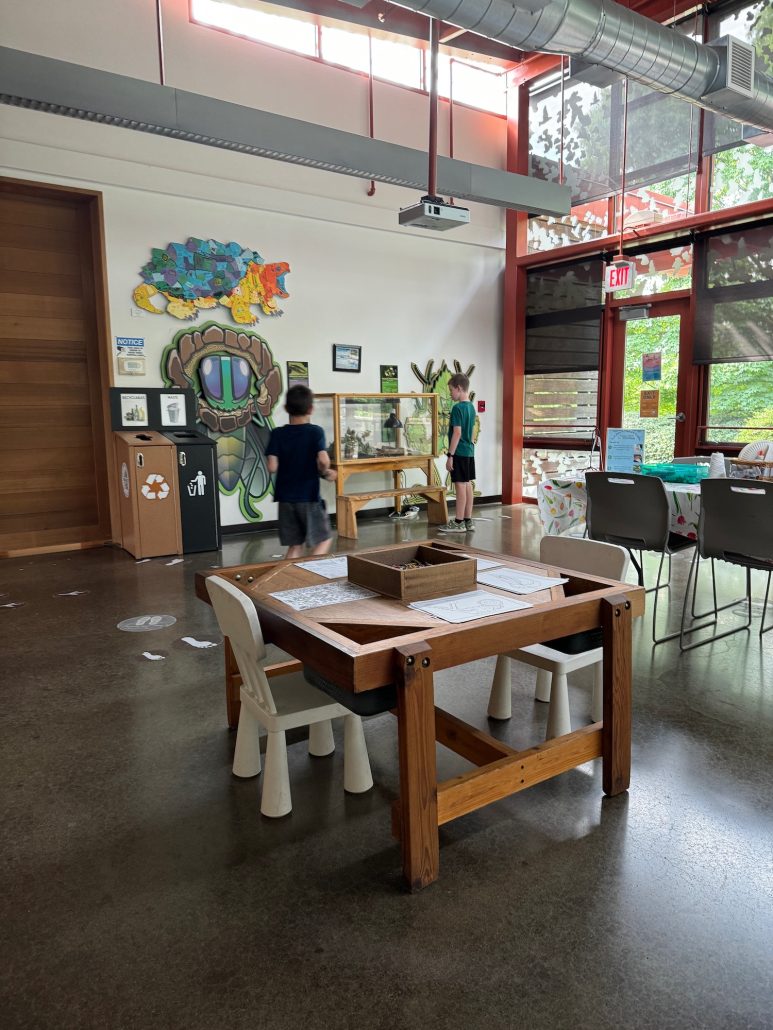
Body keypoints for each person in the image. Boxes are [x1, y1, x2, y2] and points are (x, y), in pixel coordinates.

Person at [266, 384, 337, 559]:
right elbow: (323, 460)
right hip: (308, 497)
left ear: (286, 408)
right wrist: (324, 471)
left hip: (285, 498)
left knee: (295, 546)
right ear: (311, 409)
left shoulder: (277, 433)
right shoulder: (315, 432)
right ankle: (310, 574)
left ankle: (289, 581)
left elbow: (272, 467)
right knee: (324, 540)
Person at [438, 373, 476, 534]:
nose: (450, 393)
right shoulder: (471, 407)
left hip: (459, 452)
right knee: (467, 484)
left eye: (451, 390)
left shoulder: (458, 408)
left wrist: (450, 456)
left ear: (459, 388)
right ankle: (468, 520)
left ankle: (459, 521)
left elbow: (457, 433)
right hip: (469, 452)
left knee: (460, 485)